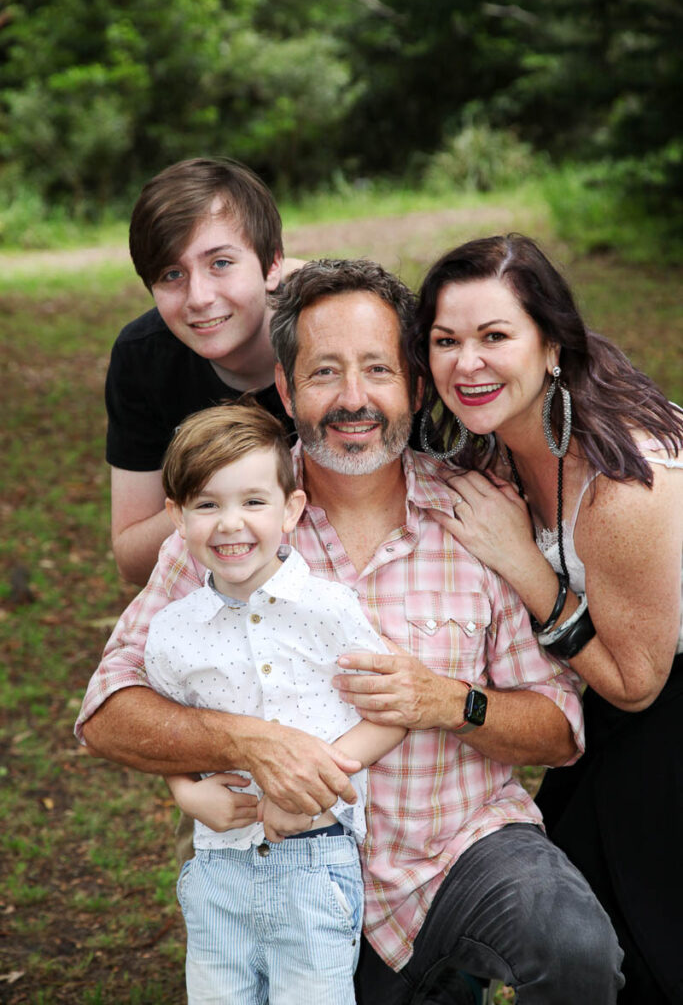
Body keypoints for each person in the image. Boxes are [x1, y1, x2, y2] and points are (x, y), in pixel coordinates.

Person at [76, 259, 624, 1004]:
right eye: (326, 372)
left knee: (571, 946)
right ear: (286, 389)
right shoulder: (232, 524)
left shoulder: (478, 517)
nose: (354, 399)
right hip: (288, 876)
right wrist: (246, 743)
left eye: (377, 369)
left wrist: (448, 702)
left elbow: (557, 729)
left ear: (416, 387)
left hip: (454, 851)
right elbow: (107, 713)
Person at [409, 233, 683, 1004]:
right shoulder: (493, 443)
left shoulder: (622, 486)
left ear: (551, 346)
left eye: (494, 336)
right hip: (623, 682)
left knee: (630, 902)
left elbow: (634, 686)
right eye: (444, 341)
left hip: (654, 688)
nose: (467, 363)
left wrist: (523, 566)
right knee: (567, 866)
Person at [143, 400, 405, 1003]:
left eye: (252, 502)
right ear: (177, 517)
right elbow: (165, 728)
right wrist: (186, 791)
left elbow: (389, 714)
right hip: (217, 870)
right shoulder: (174, 628)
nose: (230, 523)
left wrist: (309, 783)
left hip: (313, 863)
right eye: (207, 504)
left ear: (291, 511)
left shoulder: (330, 609)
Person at [108, 156, 304, 585]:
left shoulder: (335, 331)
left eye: (220, 263)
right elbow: (132, 560)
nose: (198, 297)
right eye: (172, 274)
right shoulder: (143, 357)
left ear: (272, 265)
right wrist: (216, 494)